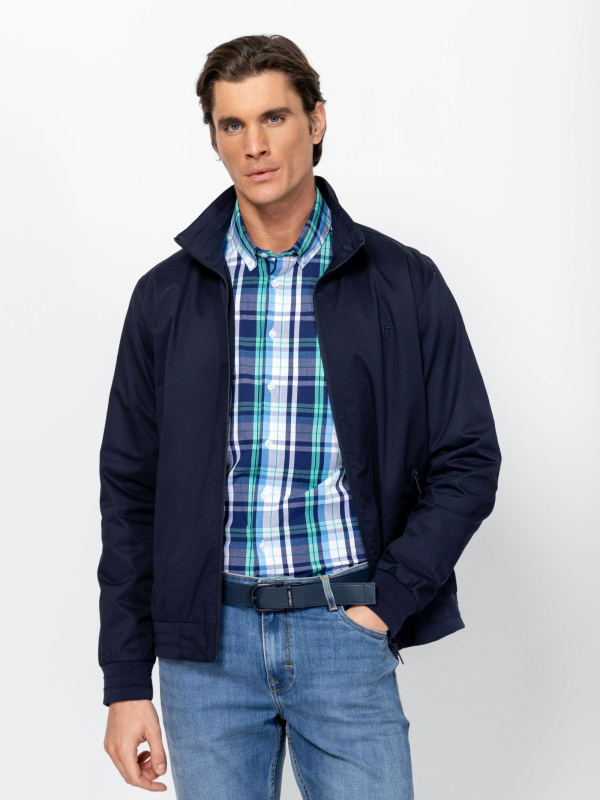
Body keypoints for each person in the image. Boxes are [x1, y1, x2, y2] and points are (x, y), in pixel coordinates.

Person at [98, 34, 502, 799]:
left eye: (274, 118)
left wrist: (387, 602)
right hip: (204, 651)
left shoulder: (404, 283)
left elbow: (468, 459)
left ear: (316, 121)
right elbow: (129, 493)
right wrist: (125, 681)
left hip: (342, 632)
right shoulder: (164, 299)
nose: (255, 145)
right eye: (233, 124)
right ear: (215, 138)